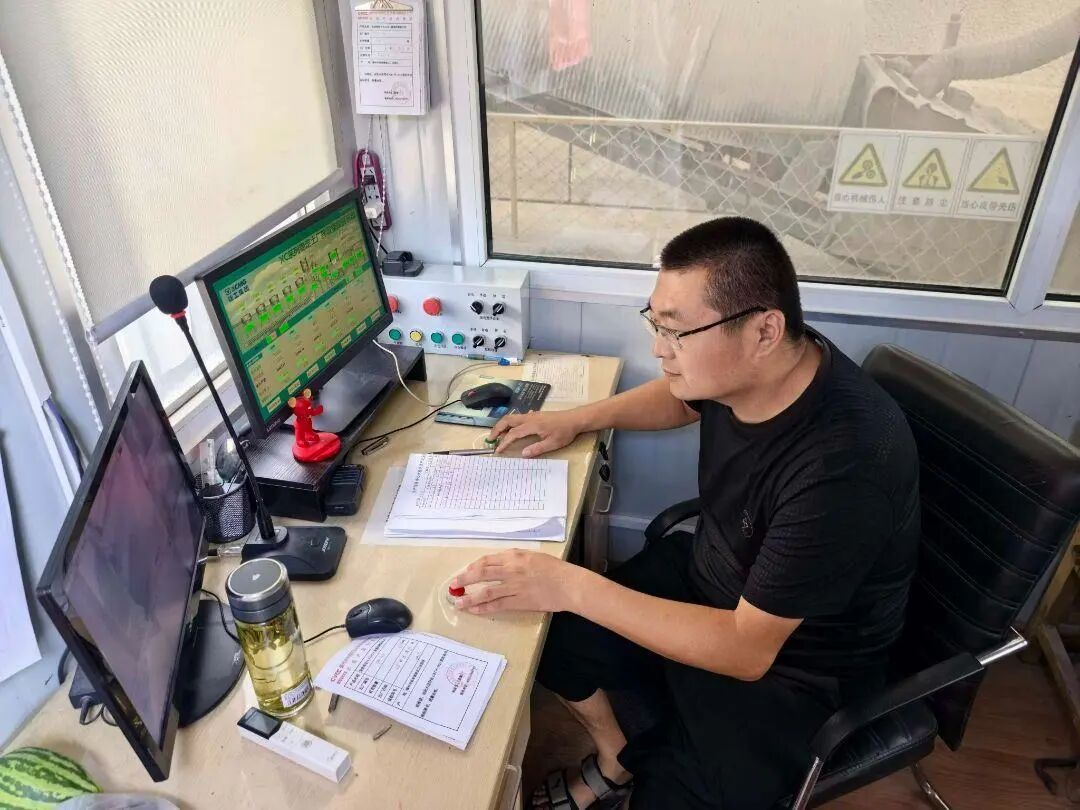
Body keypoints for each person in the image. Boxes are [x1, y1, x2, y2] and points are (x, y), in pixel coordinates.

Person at [449, 217, 920, 810]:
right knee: (553, 634)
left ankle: (648, 773)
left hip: (796, 672)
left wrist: (570, 583)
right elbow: (682, 399)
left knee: (668, 790)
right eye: (656, 323)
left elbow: (746, 651)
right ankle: (618, 759)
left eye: (676, 331)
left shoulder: (844, 466)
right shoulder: (766, 363)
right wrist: (576, 419)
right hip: (715, 577)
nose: (658, 349)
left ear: (765, 330)